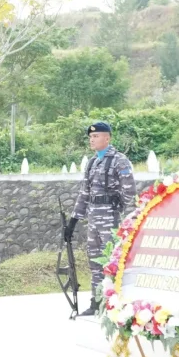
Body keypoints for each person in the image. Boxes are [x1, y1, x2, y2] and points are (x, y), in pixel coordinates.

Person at [63, 122, 137, 316]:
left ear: (107, 138)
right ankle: (97, 303)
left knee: (113, 261)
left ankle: (115, 302)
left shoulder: (119, 160)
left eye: (96, 137)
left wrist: (117, 206)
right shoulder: (92, 162)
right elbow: (84, 194)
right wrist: (73, 221)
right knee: (95, 262)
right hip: (93, 218)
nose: (92, 140)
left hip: (110, 219)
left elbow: (130, 191)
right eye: (90, 137)